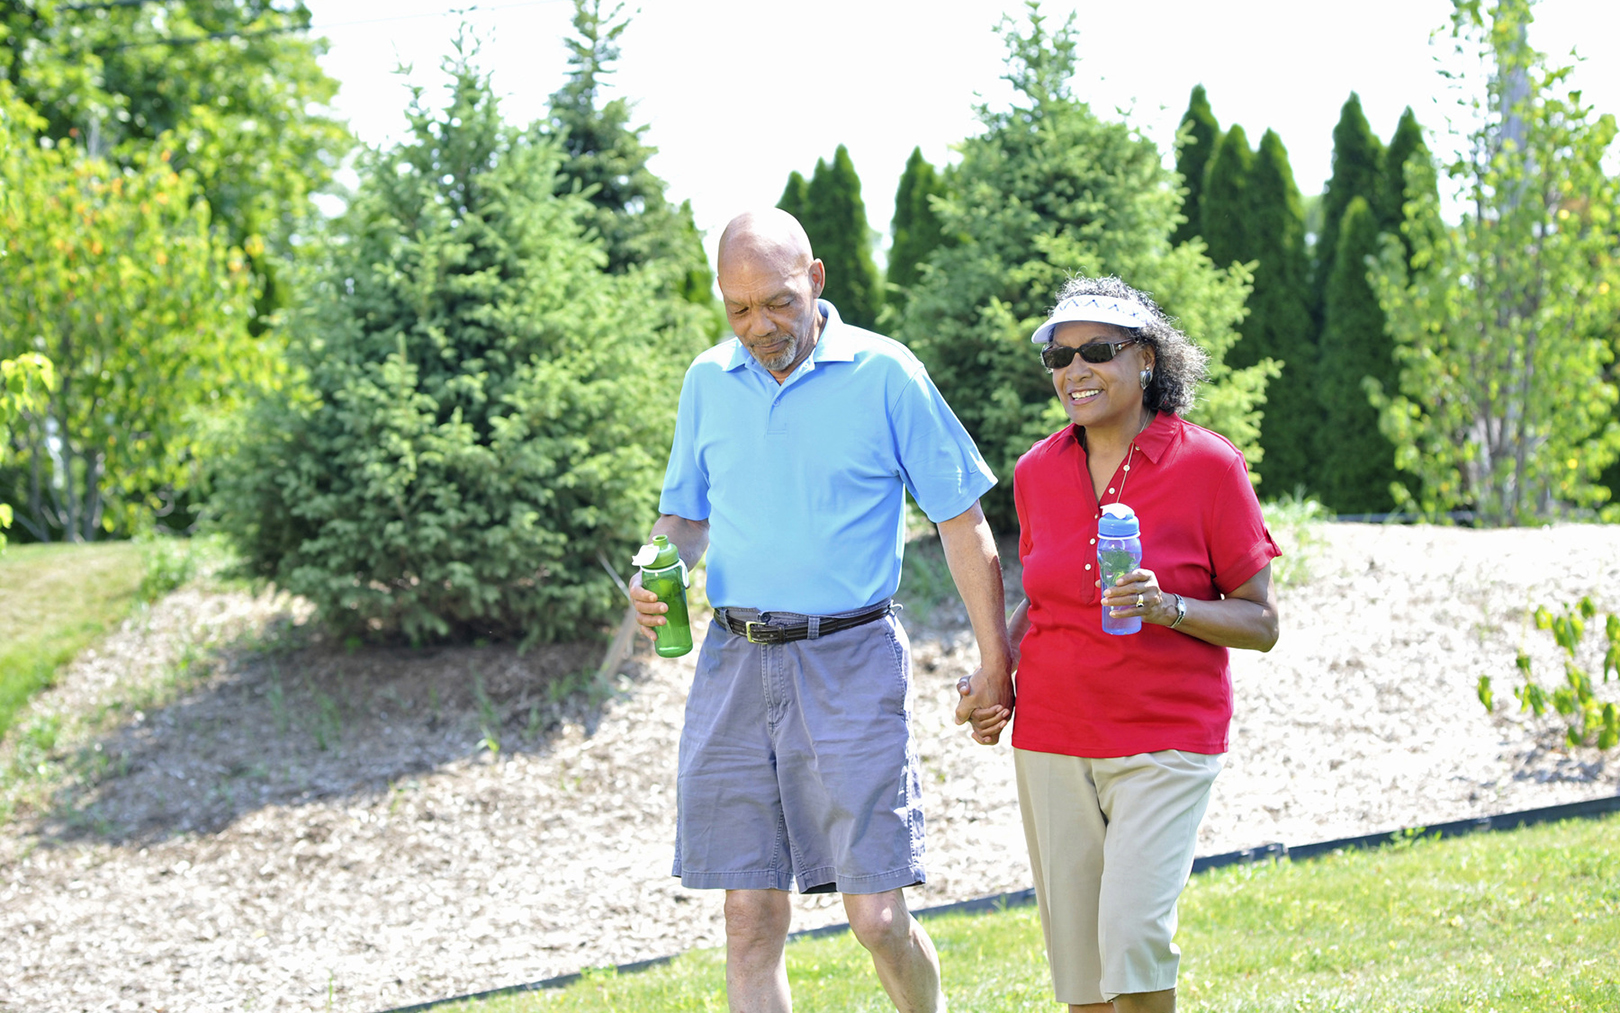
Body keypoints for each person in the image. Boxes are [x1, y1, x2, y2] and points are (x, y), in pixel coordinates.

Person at [630, 208, 1015, 1013]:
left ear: (816, 279)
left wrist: (995, 663)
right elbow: (686, 518)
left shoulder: (885, 373)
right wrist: (655, 564)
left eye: (776, 302)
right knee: (749, 915)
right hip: (735, 662)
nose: (758, 327)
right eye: (738, 309)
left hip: (849, 659)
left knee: (876, 916)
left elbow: (961, 519)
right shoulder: (709, 379)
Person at [955, 275, 1281, 1013]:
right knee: (1083, 975)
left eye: (1097, 350)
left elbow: (1262, 622)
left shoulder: (1210, 465)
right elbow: (1039, 601)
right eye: (1059, 357)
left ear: (1148, 361)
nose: (1075, 371)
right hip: (1053, 738)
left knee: (1132, 940)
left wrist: (1167, 606)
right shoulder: (1038, 470)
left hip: (1165, 739)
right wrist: (994, 675)